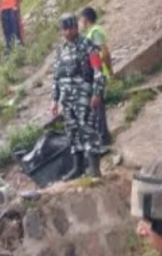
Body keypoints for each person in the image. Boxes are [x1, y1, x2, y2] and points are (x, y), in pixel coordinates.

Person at [51, 13, 105, 179]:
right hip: (67, 100)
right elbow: (56, 77)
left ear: (76, 27)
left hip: (84, 96)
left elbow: (98, 71)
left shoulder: (88, 46)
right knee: (72, 133)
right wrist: (54, 100)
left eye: (70, 28)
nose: (68, 32)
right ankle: (78, 167)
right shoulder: (61, 50)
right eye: (65, 29)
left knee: (88, 130)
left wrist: (97, 93)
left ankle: (94, 169)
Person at [79, 6, 112, 146]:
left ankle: (104, 138)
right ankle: (102, 135)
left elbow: (104, 52)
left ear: (86, 20)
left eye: (80, 20)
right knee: (96, 108)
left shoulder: (95, 32)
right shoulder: (90, 34)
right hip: (94, 74)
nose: (79, 23)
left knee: (99, 107)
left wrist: (108, 70)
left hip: (98, 74)